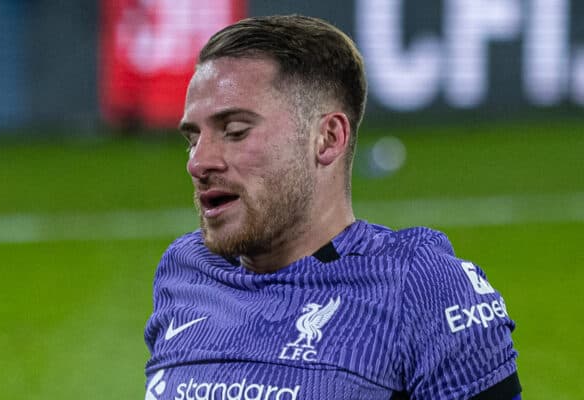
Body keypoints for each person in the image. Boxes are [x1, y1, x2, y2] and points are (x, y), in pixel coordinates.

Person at [144, 15, 521, 400]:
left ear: (327, 139)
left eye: (235, 132)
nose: (198, 162)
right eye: (194, 138)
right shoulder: (185, 271)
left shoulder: (421, 288)